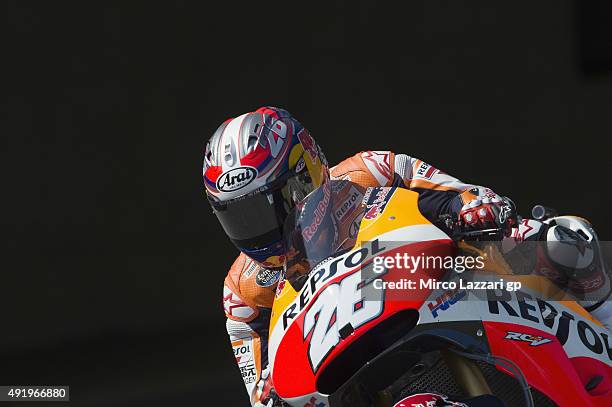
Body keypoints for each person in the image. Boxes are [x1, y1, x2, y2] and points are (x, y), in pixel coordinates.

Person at [203, 106, 611, 406]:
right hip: (337, 352)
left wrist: (472, 207)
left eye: (269, 207)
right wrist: (268, 391)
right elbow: (260, 389)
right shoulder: (242, 293)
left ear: (306, 171)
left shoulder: (369, 171)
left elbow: (454, 193)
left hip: (443, 278)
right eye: (240, 218)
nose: (261, 230)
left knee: (566, 242)